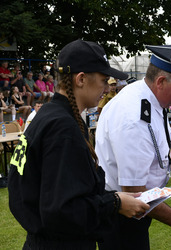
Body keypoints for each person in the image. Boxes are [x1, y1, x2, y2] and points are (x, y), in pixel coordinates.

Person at [7, 39, 150, 250]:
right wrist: (115, 204)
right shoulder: (62, 127)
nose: (106, 87)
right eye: (103, 79)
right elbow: (63, 211)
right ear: (81, 79)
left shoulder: (49, 114)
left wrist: (112, 197)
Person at [95, 44, 171, 250]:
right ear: (161, 81)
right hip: (123, 215)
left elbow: (153, 145)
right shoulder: (133, 117)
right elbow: (134, 191)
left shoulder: (148, 97)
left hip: (134, 211)